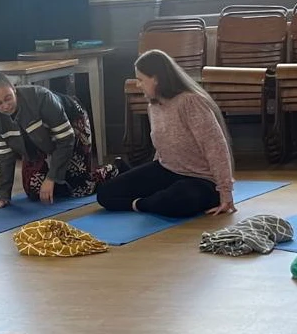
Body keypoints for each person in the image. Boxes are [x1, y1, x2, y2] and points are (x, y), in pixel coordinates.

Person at [95, 50, 237, 218]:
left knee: (177, 199)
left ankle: (143, 203)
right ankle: (150, 202)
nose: (138, 85)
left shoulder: (190, 102)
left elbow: (216, 147)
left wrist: (225, 193)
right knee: (105, 194)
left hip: (201, 180)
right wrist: (147, 176)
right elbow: (163, 144)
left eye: (141, 80)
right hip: (167, 169)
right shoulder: (153, 106)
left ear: (156, 79)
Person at [0, 67, 114, 211]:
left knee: (81, 185)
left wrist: (51, 178)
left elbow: (66, 139)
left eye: (8, 98)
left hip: (71, 125)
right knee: (34, 189)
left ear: (14, 89)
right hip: (37, 139)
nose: (5, 106)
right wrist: (2, 196)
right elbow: (5, 157)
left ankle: (114, 169)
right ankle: (60, 181)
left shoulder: (41, 97)